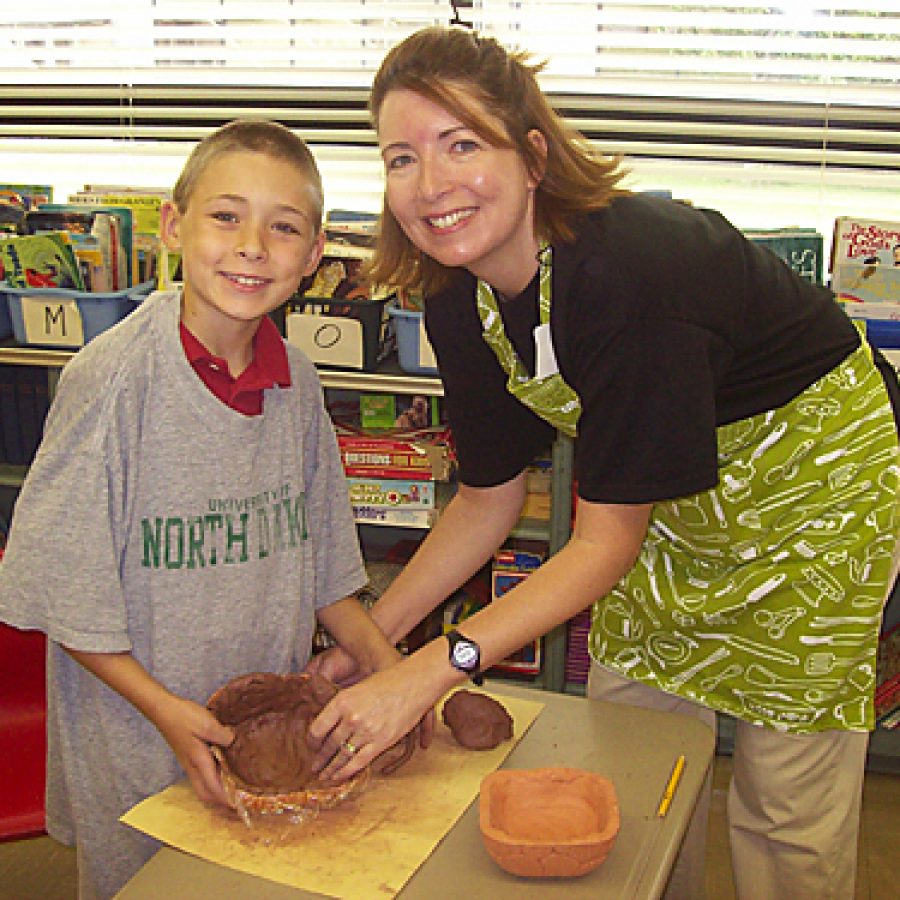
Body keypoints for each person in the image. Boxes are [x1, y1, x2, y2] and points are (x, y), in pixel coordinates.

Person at [304, 25, 900, 900]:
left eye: (461, 143)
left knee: (783, 808)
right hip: (662, 509)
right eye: (401, 157)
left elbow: (605, 543)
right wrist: (377, 639)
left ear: (533, 154)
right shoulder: (452, 288)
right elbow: (487, 496)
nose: (430, 185)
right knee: (636, 762)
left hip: (810, 496)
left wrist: (427, 674)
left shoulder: (628, 270)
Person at [0, 119, 402, 899]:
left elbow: (327, 573)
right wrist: (168, 713)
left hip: (265, 736)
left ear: (315, 257)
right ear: (173, 226)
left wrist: (397, 679)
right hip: (137, 735)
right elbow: (61, 593)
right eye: (226, 216)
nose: (252, 244)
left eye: (284, 227)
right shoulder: (112, 382)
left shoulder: (299, 386)